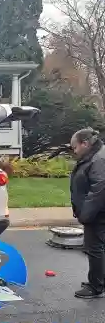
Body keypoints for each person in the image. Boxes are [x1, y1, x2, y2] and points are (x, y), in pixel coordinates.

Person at [70, 128, 105, 299]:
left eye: (75, 147)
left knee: (95, 248)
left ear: (85, 143)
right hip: (96, 211)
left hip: (98, 212)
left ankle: (96, 286)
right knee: (97, 247)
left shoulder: (98, 159)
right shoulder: (93, 155)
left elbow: (99, 189)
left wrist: (86, 214)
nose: (74, 151)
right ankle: (99, 281)